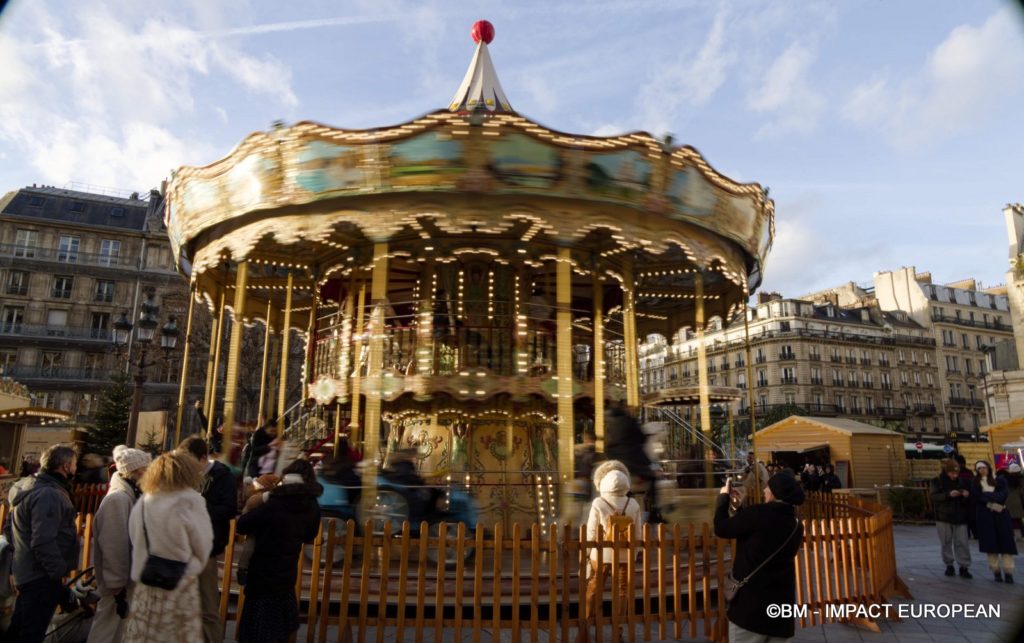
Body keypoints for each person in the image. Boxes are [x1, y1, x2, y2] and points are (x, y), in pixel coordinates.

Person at [123, 451, 213, 642]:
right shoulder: (191, 500)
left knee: (143, 635)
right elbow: (203, 545)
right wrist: (192, 566)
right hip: (178, 583)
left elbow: (134, 537)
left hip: (146, 581)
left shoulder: (144, 502)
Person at [235, 460, 322, 643]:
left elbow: (242, 525)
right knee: (280, 630)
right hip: (287, 575)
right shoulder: (312, 505)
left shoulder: (274, 503)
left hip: (262, 575)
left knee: (258, 630)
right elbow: (310, 535)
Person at [714, 469, 805, 642]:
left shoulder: (757, 513)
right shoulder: (796, 525)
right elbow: (760, 536)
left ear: (775, 493)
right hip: (780, 610)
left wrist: (723, 499)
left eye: (767, 487)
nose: (764, 490)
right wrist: (739, 507)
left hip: (752, 607)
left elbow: (722, 528)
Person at [3, 444, 79, 643]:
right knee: (31, 632)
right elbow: (43, 541)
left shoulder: (25, 485)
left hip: (26, 570)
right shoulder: (49, 494)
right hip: (41, 575)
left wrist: (19, 556)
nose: (75, 468)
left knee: (20, 627)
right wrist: (58, 572)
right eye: (74, 464)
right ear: (65, 466)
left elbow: (9, 529)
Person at [88, 446, 152, 643]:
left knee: (118, 631)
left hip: (126, 582)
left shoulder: (129, 496)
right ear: (134, 471)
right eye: (145, 468)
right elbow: (114, 545)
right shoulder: (118, 499)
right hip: (119, 585)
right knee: (107, 631)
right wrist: (117, 583)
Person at [178, 436, 238, 642]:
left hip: (206, 546)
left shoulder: (222, 476)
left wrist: (199, 504)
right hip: (182, 545)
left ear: (203, 458)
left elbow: (229, 509)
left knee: (207, 603)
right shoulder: (186, 475)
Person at [578, 463, 642, 643]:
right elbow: (637, 534)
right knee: (622, 592)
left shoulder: (598, 502)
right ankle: (618, 632)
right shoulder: (633, 504)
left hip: (601, 555)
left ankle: (585, 630)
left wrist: (587, 554)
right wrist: (633, 555)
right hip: (624, 556)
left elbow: (591, 532)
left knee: (594, 589)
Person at [605, 402, 661, 521]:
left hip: (618, 463)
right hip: (633, 462)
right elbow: (641, 438)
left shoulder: (611, 424)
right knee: (653, 479)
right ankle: (654, 510)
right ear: (625, 409)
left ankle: (620, 511)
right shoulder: (629, 421)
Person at [972, 460, 1018, 583]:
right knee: (990, 544)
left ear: (989, 468)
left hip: (1001, 514)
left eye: (984, 468)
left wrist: (987, 497)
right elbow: (977, 497)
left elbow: (1003, 494)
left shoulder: (1000, 480)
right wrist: (990, 497)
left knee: (1006, 543)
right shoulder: (976, 482)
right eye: (979, 468)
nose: (982, 470)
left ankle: (1009, 571)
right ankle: (996, 570)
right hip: (985, 516)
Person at [928, 458, 972, 579]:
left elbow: (970, 498)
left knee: (962, 542)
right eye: (952, 473)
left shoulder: (963, 481)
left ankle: (964, 566)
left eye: (956, 473)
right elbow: (934, 496)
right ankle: (949, 565)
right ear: (946, 472)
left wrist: (966, 495)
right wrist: (948, 495)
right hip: (943, 516)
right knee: (946, 542)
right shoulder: (937, 481)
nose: (954, 475)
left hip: (960, 516)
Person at [955, 454, 977, 539]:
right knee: (970, 519)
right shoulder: (969, 473)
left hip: (965, 499)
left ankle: (969, 535)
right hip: (967, 498)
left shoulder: (963, 473)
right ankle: (973, 534)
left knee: (967, 519)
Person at [1004, 463, 1023, 539]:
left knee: (1012, 520)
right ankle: (1020, 535)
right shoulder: (1021, 480)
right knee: (1018, 520)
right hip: (1018, 501)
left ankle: (1014, 535)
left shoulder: (1006, 480)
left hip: (1009, 502)